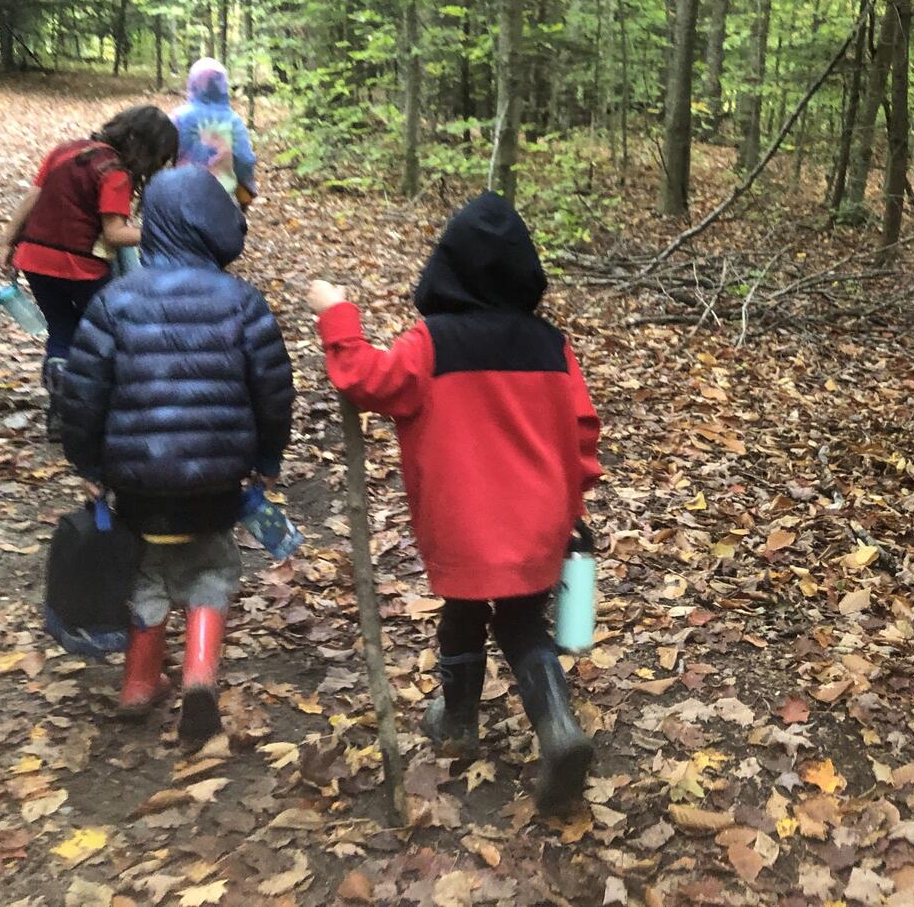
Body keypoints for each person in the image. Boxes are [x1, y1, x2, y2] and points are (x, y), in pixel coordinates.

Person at [306, 191, 601, 814]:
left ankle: (476, 721)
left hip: (463, 522)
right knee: (522, 619)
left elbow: (367, 380)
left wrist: (336, 315)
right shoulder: (552, 346)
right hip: (539, 518)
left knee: (465, 607)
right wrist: (574, 500)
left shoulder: (430, 344)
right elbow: (582, 429)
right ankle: (538, 725)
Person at [58, 166, 294, 748]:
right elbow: (273, 387)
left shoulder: (115, 301)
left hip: (136, 485)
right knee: (211, 566)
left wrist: (87, 464)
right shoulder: (241, 302)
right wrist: (268, 457)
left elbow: (83, 392)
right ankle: (198, 678)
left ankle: (139, 683)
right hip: (215, 482)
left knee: (147, 571)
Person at [0, 104, 178, 438]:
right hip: (81, 266)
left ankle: (59, 410)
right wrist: (164, 231)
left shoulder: (65, 150)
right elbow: (114, 233)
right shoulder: (115, 173)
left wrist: (8, 242)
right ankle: (102, 408)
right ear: (144, 146)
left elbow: (32, 198)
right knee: (103, 332)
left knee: (62, 328)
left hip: (35, 260)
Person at [172, 58, 258, 205]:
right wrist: (248, 187)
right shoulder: (233, 121)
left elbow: (163, 156)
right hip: (222, 200)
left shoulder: (177, 118)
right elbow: (244, 159)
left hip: (181, 198)